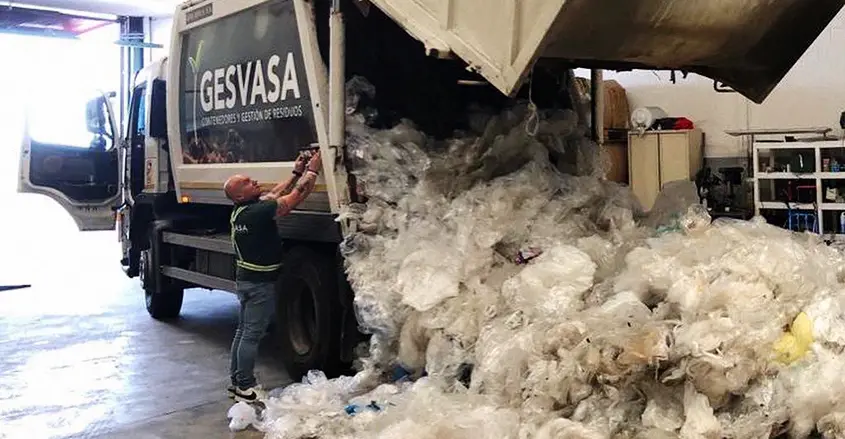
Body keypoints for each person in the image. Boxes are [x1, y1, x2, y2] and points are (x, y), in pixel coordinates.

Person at [222, 150, 323, 402]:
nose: (253, 181)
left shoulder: (242, 211)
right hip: (258, 285)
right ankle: (246, 386)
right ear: (240, 195)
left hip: (246, 281)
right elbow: (294, 198)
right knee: (251, 335)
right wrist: (313, 170)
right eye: (247, 182)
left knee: (243, 332)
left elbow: (275, 194)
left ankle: (237, 382)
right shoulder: (257, 213)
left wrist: (296, 171)